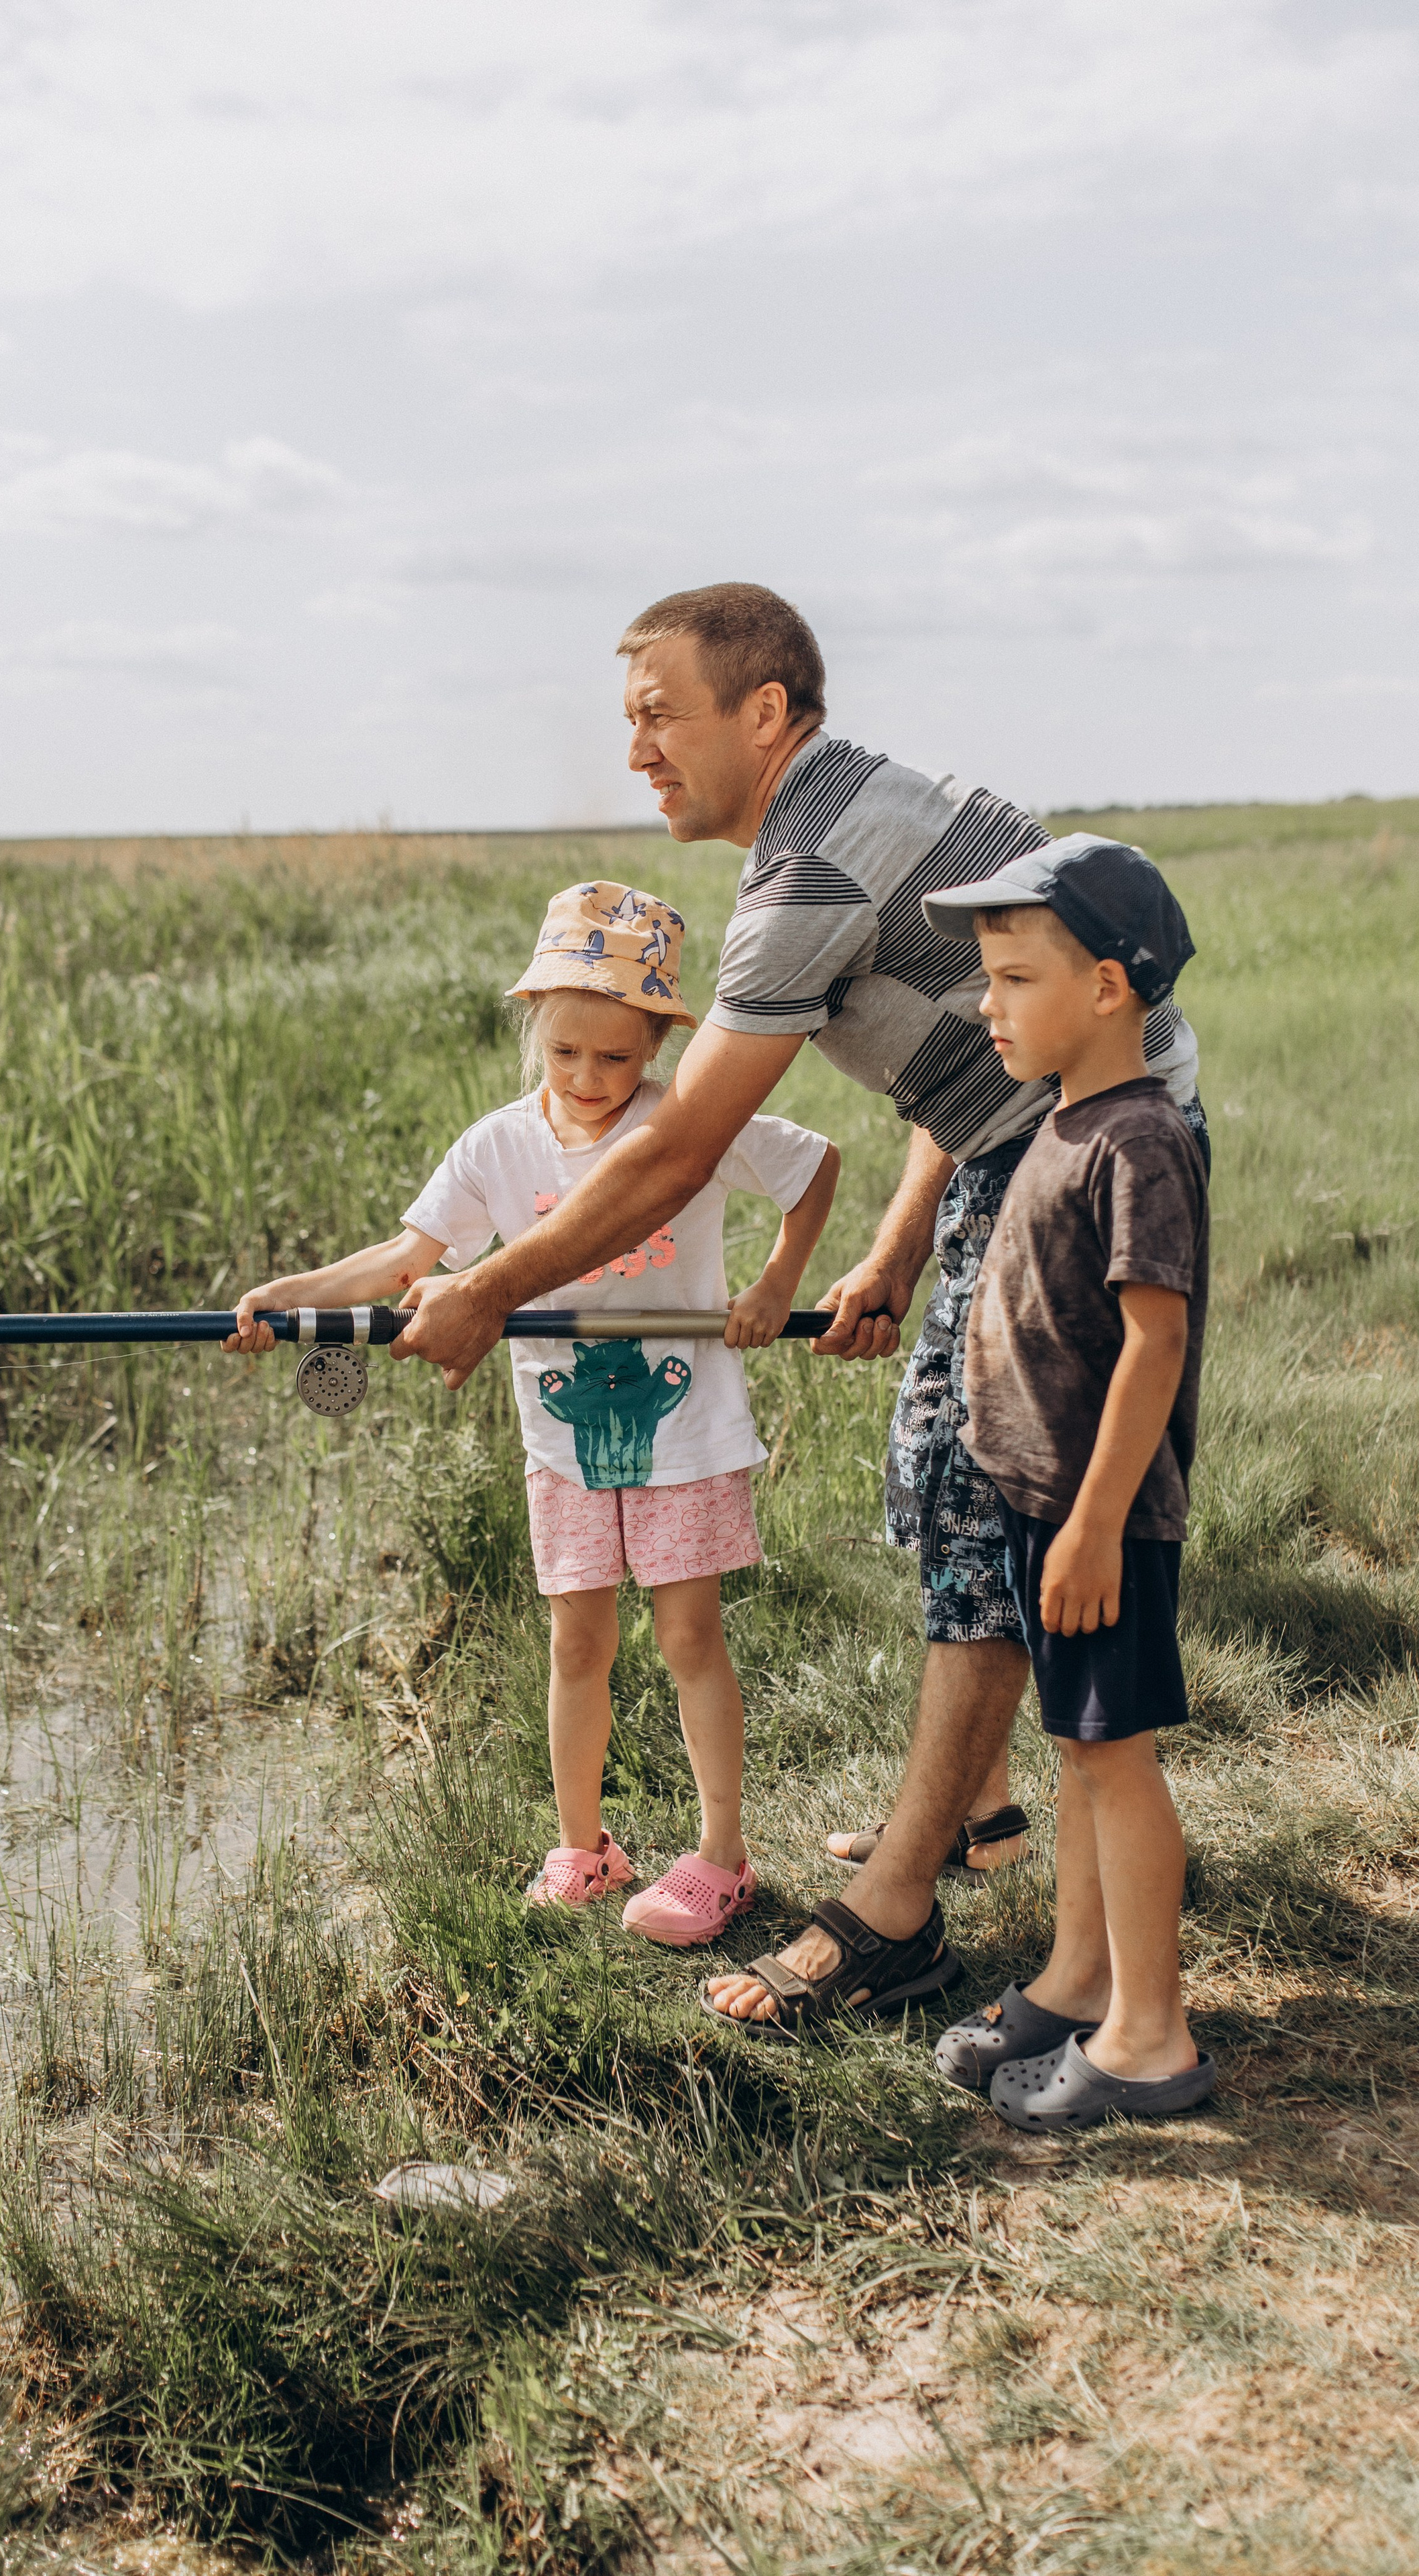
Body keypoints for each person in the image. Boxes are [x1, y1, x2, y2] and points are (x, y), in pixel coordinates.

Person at [394, 582, 1208, 2035]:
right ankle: (977, 1828)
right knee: (948, 1492)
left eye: (659, 713)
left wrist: (486, 1289)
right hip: (1021, 1149)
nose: (635, 749)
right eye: (624, 719)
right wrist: (898, 1247)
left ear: (762, 711)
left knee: (983, 1515)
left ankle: (895, 1916)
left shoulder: (797, 883)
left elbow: (673, 1150)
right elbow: (970, 1045)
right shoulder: (841, 821)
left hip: (1082, 1167)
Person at [223, 879, 840, 1948]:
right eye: (567, 1054)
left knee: (690, 1636)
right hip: (562, 1446)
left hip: (685, 1434)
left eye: (617, 1056)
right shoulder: (497, 1148)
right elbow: (406, 1260)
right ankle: (586, 1847)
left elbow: (814, 1167)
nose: (592, 1079)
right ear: (535, 1034)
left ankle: (723, 1857)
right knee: (577, 1645)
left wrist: (778, 1284)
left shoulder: (684, 1126)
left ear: (655, 1041)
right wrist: (289, 1297)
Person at [917, 841, 1216, 2123]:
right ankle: (1083, 1974)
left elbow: (1158, 1339)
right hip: (1050, 1511)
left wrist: (1095, 1528)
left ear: (1108, 986)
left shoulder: (1140, 1138)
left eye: (1015, 978)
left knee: (1115, 1761)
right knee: (1081, 1751)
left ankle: (1152, 2036)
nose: (990, 1004)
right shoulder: (1065, 1117)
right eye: (987, 979)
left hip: (1105, 1520)